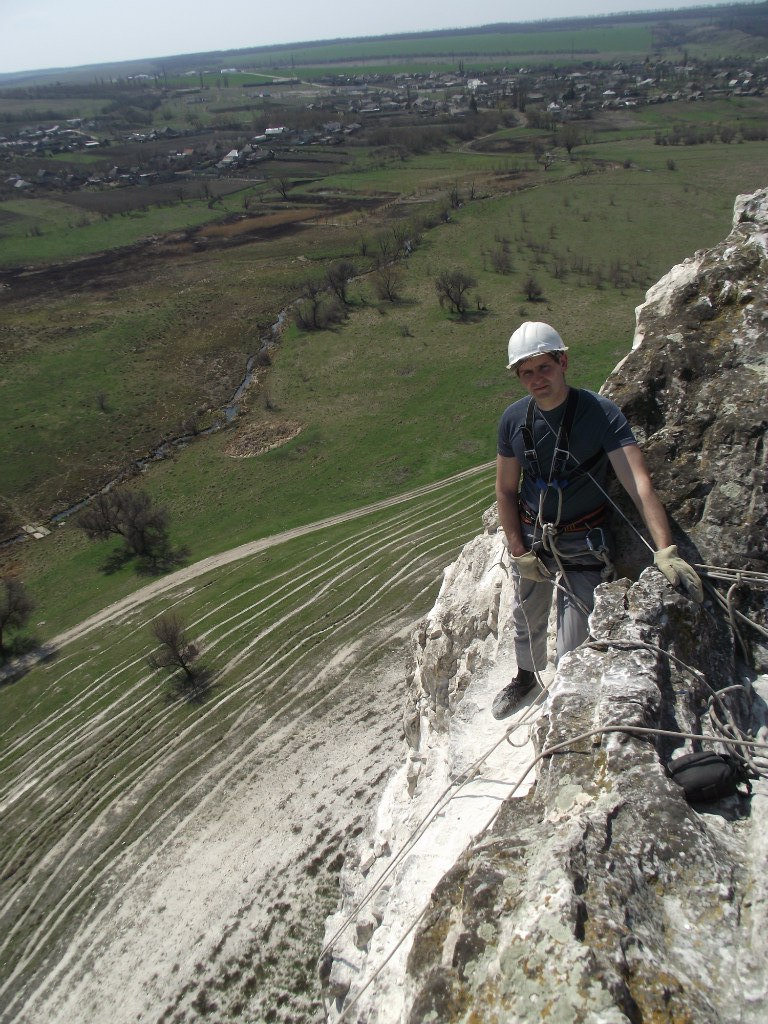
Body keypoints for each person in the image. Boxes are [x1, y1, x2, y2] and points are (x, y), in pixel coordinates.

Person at [491, 321, 702, 720]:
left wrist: (666, 550)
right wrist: (518, 550)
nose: (537, 379)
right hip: (534, 535)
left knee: (575, 642)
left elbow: (639, 484)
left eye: (544, 367)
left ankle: (563, 700)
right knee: (527, 615)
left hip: (582, 539)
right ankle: (526, 676)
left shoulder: (600, 414)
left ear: (563, 361)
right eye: (527, 372)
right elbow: (505, 490)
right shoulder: (514, 420)